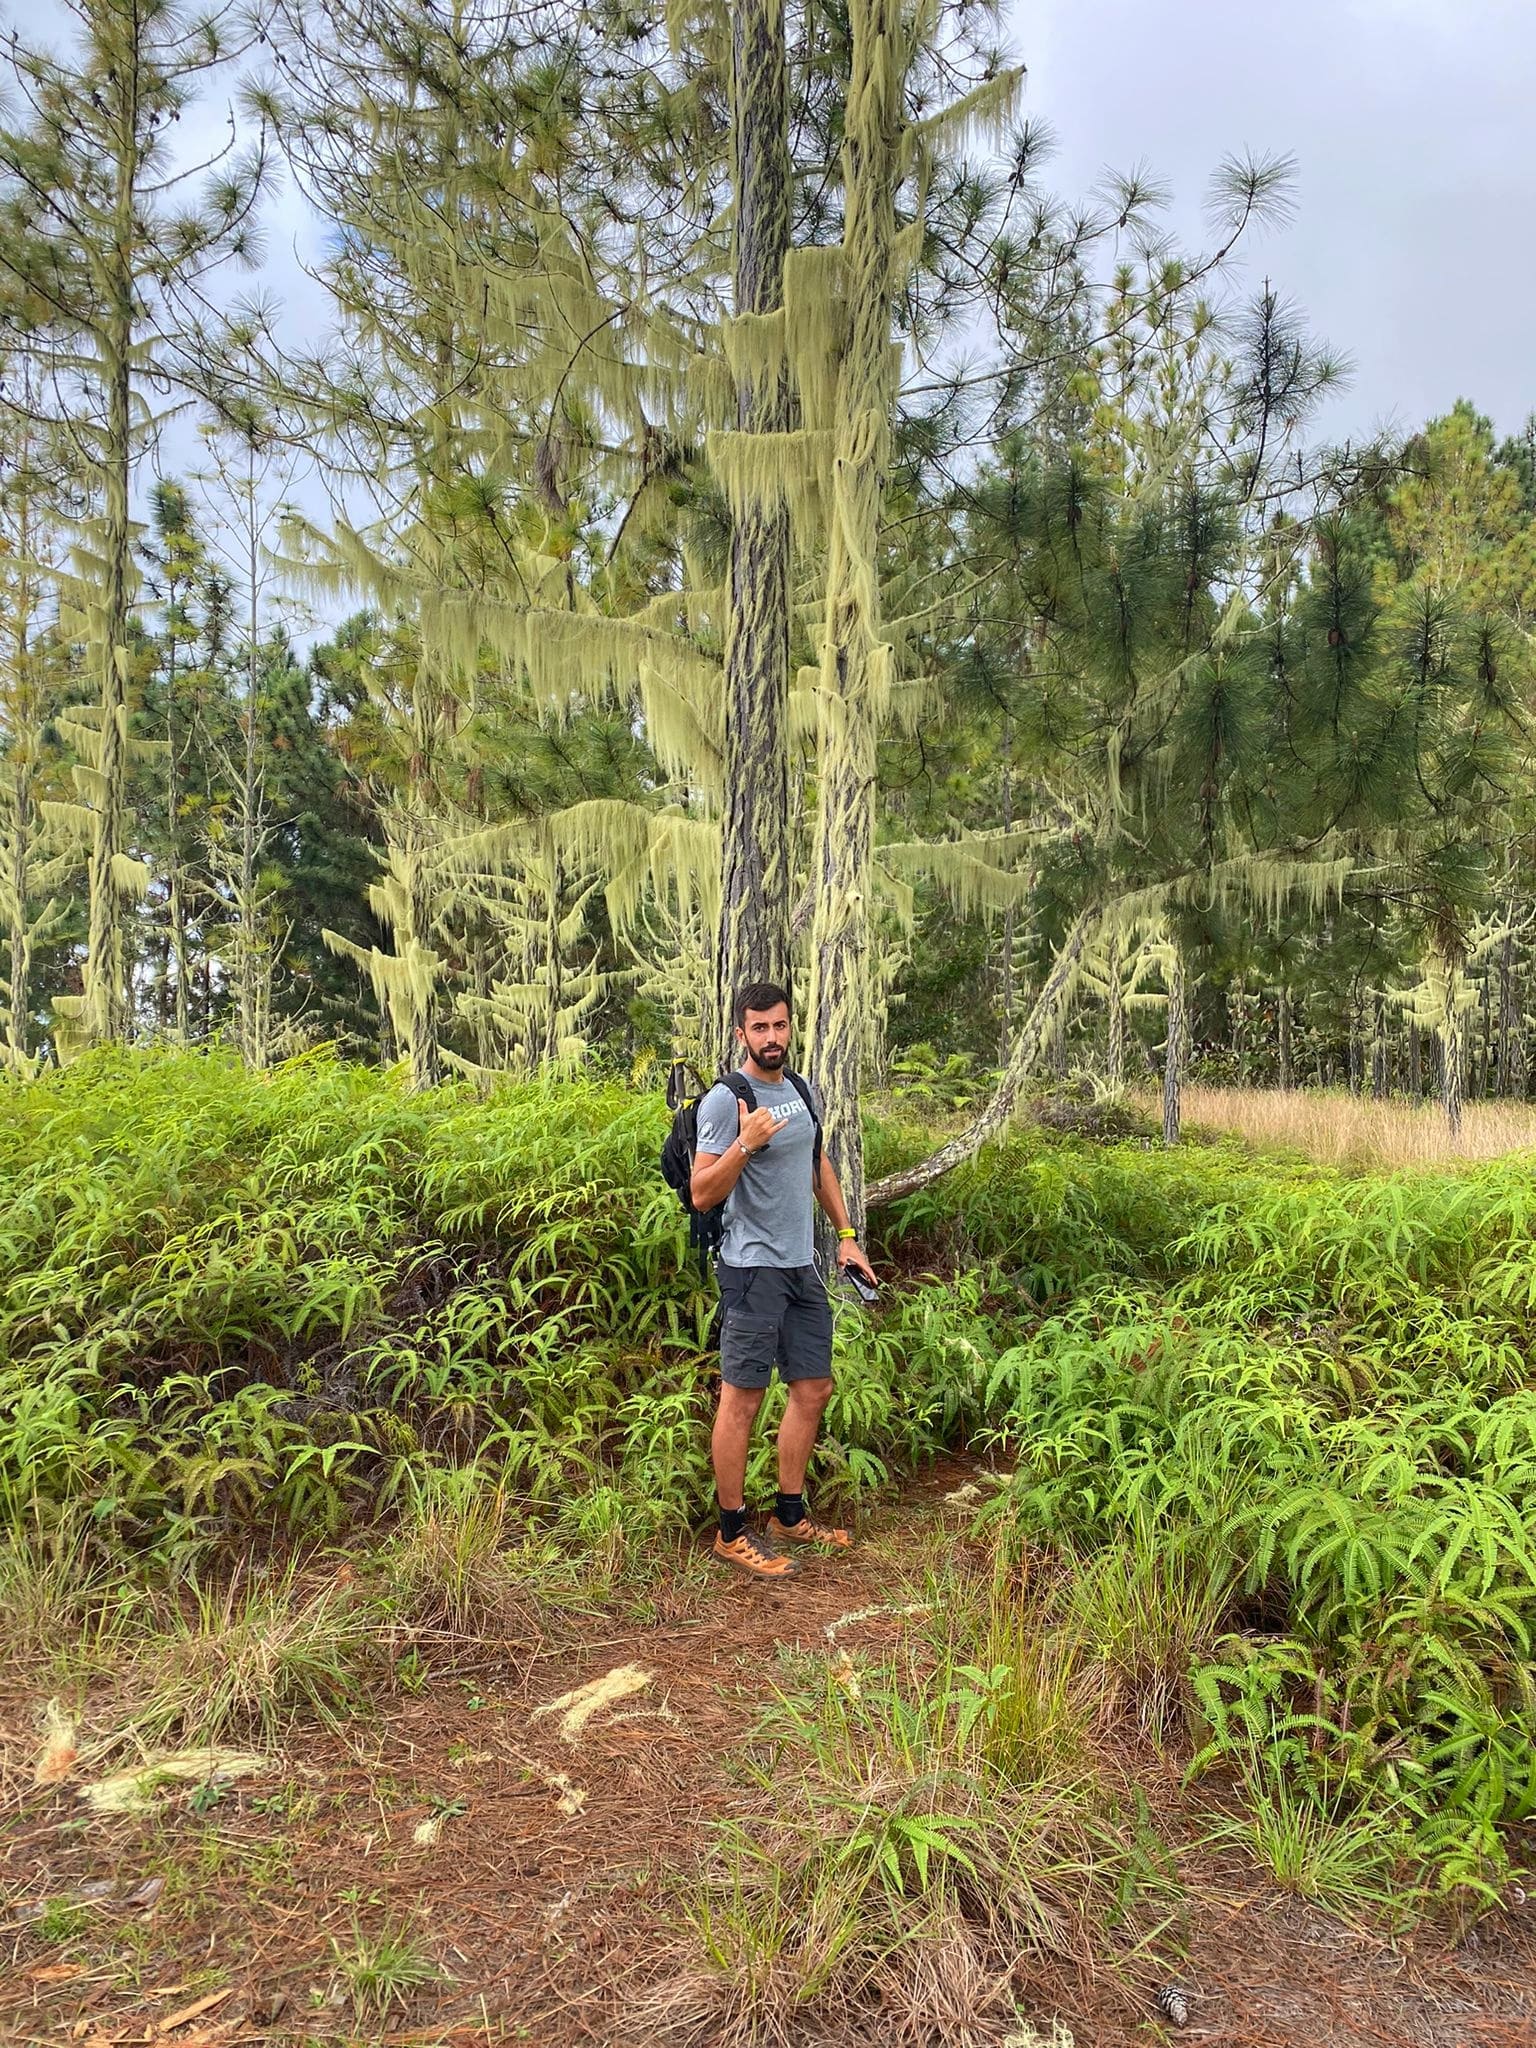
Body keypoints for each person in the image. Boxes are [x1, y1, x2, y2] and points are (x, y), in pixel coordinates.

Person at [690, 981, 879, 1579]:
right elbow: (701, 1193)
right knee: (742, 1400)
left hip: (803, 1265)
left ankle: (788, 1516)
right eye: (759, 1027)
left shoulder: (801, 1089)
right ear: (741, 1032)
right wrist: (744, 1144)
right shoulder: (727, 1100)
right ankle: (729, 1531)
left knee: (813, 1388)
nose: (772, 1038)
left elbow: (817, 1161)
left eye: (780, 1025)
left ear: (789, 1026)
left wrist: (846, 1237)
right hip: (750, 1269)